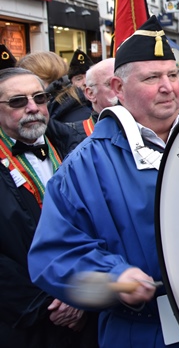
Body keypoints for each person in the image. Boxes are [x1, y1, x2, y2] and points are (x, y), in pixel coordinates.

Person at [29, 16, 179, 347]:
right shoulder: (85, 165)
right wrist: (116, 275)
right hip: (143, 333)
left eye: (172, 75)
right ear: (118, 88)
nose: (168, 86)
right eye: (152, 77)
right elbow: (56, 252)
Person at [0, 67, 93, 347]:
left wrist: (82, 297)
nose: (33, 108)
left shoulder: (76, 149)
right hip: (26, 323)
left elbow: (100, 225)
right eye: (17, 101)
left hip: (87, 314)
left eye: (40, 98)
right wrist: (48, 305)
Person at [74, 58, 117, 135]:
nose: (120, 90)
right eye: (110, 84)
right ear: (91, 94)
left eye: (123, 83)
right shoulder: (79, 136)